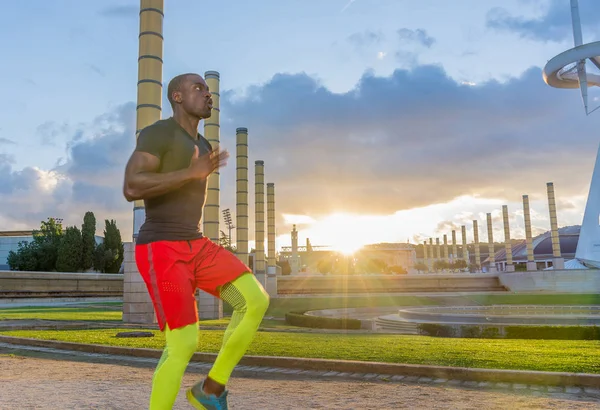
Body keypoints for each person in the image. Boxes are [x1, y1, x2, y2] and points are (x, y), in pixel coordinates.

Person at [122, 72, 270, 410]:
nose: (208, 94)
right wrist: (191, 172)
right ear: (177, 96)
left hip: (197, 245)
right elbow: (132, 187)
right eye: (198, 88)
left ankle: (211, 388)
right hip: (161, 248)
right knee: (184, 342)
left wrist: (198, 168)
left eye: (208, 89)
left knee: (255, 300)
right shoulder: (157, 133)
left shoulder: (203, 146)